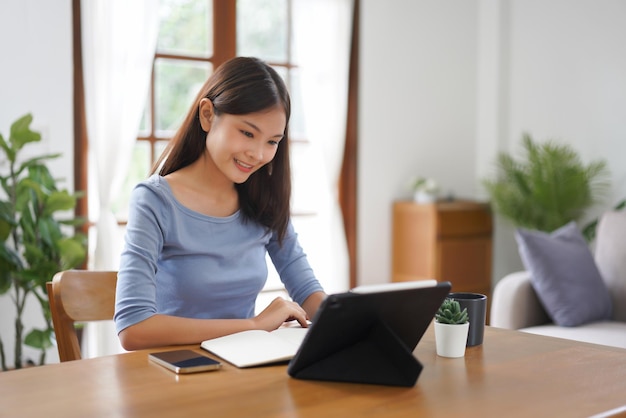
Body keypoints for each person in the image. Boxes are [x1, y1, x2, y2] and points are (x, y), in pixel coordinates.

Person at [114, 57, 326, 351]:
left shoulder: (264, 201)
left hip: (242, 368)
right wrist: (253, 326)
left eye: (272, 142)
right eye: (248, 133)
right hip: (172, 373)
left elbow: (306, 290)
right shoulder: (155, 201)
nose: (258, 154)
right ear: (207, 115)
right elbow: (133, 328)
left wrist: (351, 321)